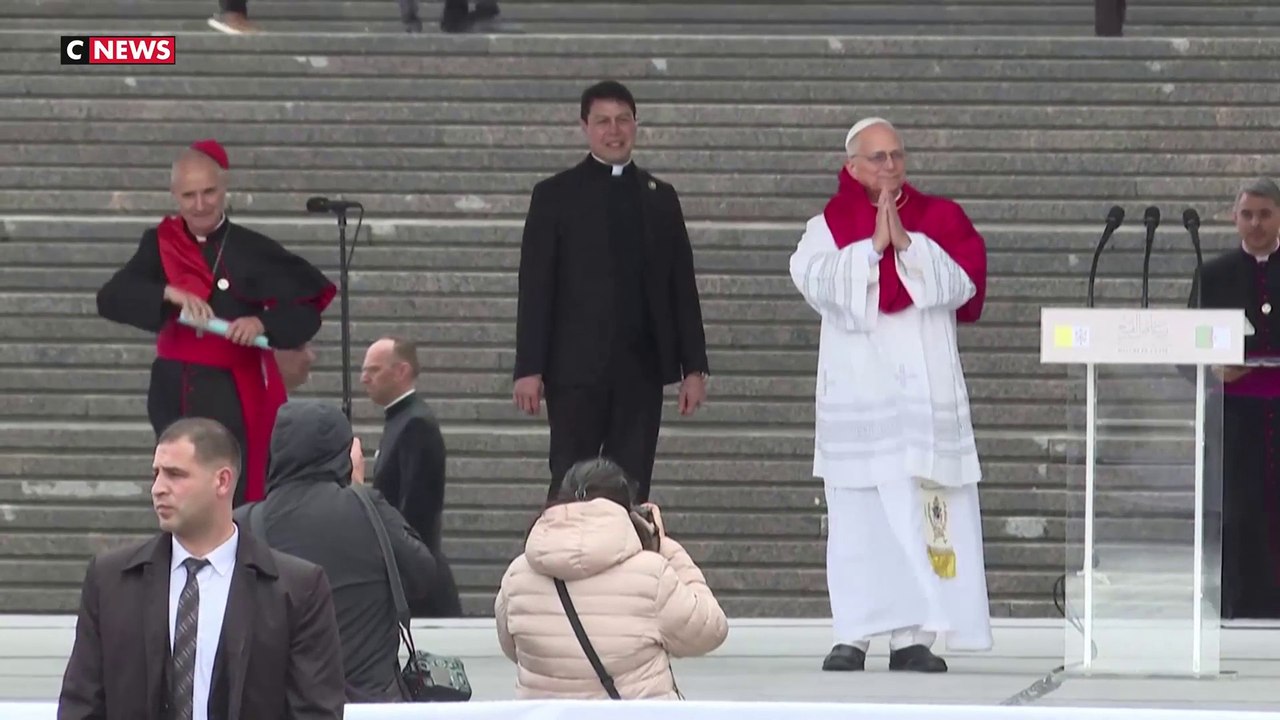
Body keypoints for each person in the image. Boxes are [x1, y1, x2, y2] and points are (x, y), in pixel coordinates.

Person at [788, 117, 992, 673]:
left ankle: (913, 638)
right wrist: (871, 249)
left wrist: (908, 244)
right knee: (858, 522)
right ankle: (853, 634)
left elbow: (966, 284)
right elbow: (812, 281)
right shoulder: (826, 228)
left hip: (923, 400)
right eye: (876, 158)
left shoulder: (940, 217)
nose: (889, 166)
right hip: (859, 397)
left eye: (896, 155)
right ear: (852, 166)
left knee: (923, 516)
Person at [96, 139, 336, 508]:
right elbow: (111, 298)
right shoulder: (159, 244)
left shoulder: (252, 248)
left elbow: (305, 309)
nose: (200, 204)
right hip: (173, 390)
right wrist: (169, 292)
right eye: (189, 195)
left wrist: (261, 322)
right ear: (175, 195)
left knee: (230, 490)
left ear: (224, 189)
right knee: (179, 487)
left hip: (232, 392)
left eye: (209, 192)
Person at [57, 417, 345, 720]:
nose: (158, 489)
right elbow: (82, 704)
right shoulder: (111, 580)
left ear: (222, 481)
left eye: (175, 475)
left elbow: (316, 711)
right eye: (156, 474)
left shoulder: (297, 587)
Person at [513, 80, 710, 504]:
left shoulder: (661, 198)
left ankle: (629, 565)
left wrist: (693, 366)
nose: (614, 130)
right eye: (602, 121)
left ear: (636, 125)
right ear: (585, 127)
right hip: (573, 374)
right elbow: (535, 287)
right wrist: (529, 368)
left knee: (634, 484)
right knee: (569, 479)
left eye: (623, 120)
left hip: (640, 373)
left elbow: (681, 285)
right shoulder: (554, 196)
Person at [235, 401, 440, 702]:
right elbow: (423, 577)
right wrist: (357, 490)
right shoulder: (368, 510)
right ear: (344, 453)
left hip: (282, 704)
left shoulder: (244, 524)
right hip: (368, 703)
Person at [494, 458, 728, 700]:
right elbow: (710, 630)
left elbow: (515, 649)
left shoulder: (517, 575)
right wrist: (665, 546)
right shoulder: (651, 574)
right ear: (627, 509)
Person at [1188, 177, 1280, 619]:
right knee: (1239, 514)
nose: (1256, 223)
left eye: (1265, 213)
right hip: (1235, 419)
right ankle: (1238, 608)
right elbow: (1186, 349)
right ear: (1234, 218)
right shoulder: (1213, 275)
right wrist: (1211, 368)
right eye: (1248, 214)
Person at [360, 337, 462, 617]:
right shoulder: (401, 420)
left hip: (418, 585)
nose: (364, 379)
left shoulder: (416, 424)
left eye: (373, 370)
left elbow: (418, 511)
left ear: (401, 371)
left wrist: (406, 573)